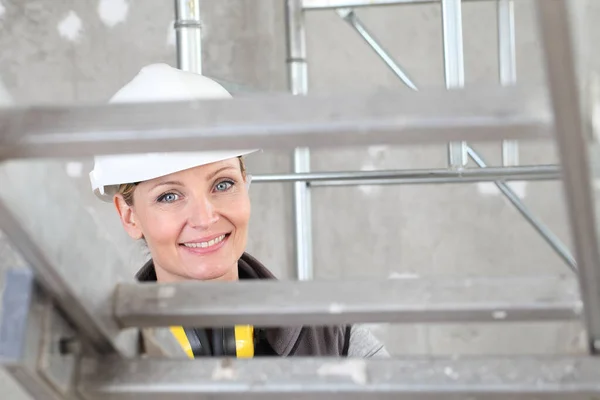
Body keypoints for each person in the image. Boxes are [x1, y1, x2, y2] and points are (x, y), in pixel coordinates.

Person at [89, 63, 388, 359]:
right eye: (169, 196)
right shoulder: (93, 363)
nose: (205, 218)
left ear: (245, 183)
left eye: (222, 184)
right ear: (129, 216)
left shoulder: (334, 340)